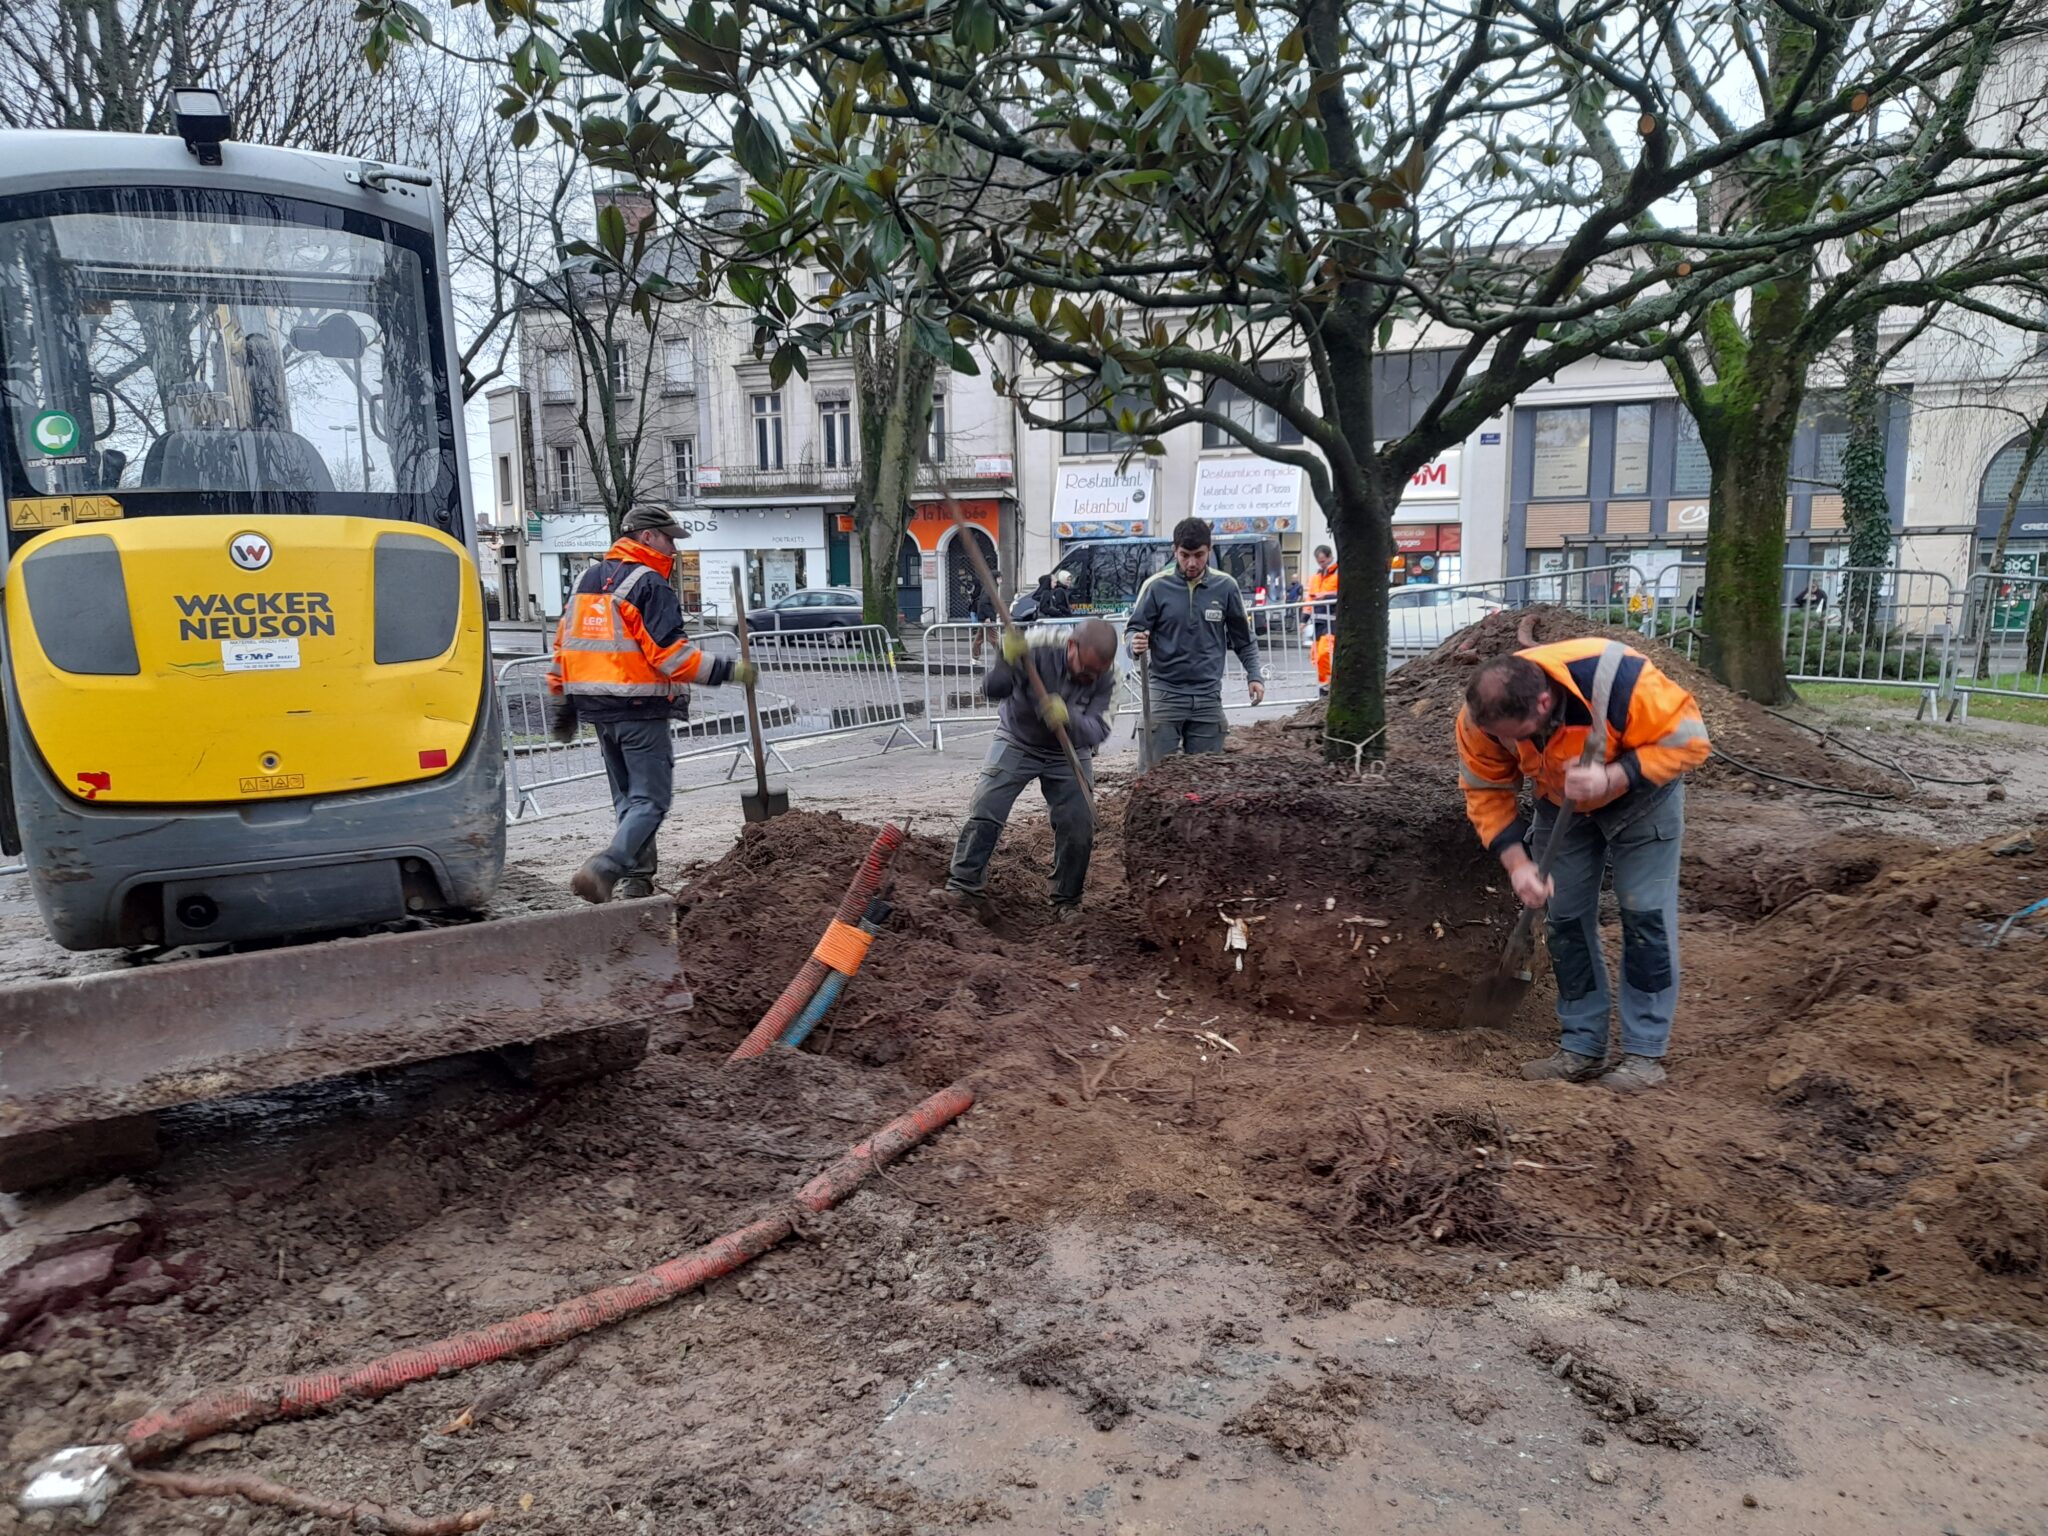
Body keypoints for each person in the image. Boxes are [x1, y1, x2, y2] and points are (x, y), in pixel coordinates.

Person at [1455, 638, 1712, 1093]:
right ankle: (1581, 1046)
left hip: (1643, 796)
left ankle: (1643, 1054)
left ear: (1543, 700)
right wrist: (1518, 865)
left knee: (1644, 915)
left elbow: (1690, 739)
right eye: (1504, 737)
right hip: (1559, 803)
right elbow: (1486, 792)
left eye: (1521, 732)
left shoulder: (1618, 680)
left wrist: (1615, 775)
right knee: (1566, 918)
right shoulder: (1482, 720)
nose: (1511, 743)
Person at [548, 508, 756, 904]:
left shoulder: (586, 580)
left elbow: (564, 644)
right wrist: (731, 671)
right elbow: (671, 657)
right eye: (669, 538)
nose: (675, 548)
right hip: (638, 706)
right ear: (647, 538)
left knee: (629, 800)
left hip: (598, 710)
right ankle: (604, 869)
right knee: (651, 801)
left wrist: (562, 698)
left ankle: (637, 882)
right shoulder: (648, 584)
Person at [942, 618, 1119, 918]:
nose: (1089, 677)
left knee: (1078, 824)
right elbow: (993, 689)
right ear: (1071, 646)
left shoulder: (1111, 675)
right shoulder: (1036, 645)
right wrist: (1005, 662)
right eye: (1085, 669)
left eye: (1096, 673)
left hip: (1069, 751)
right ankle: (964, 887)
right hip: (1018, 739)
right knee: (987, 806)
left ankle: (1066, 901)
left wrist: (1070, 718)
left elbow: (1100, 729)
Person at [1126, 517, 1266, 758]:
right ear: (1175, 551)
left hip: (1208, 696)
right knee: (1155, 779)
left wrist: (1254, 675)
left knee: (1206, 781)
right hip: (1164, 694)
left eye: (1199, 555)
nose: (1192, 563)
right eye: (1184, 555)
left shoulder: (1226, 587)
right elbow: (1132, 631)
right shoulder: (1156, 587)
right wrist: (1134, 644)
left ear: (1209, 550)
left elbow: (1243, 638)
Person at [1304, 544, 1339, 694]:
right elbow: (1308, 601)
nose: (1322, 564)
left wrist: (1326, 596)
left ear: (1330, 557)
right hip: (1318, 621)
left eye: (1324, 561)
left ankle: (1328, 684)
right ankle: (1324, 685)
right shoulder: (1315, 578)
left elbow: (1343, 593)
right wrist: (1303, 620)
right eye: (1319, 562)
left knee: (1325, 652)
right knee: (1316, 657)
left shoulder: (1338, 574)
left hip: (1332, 620)